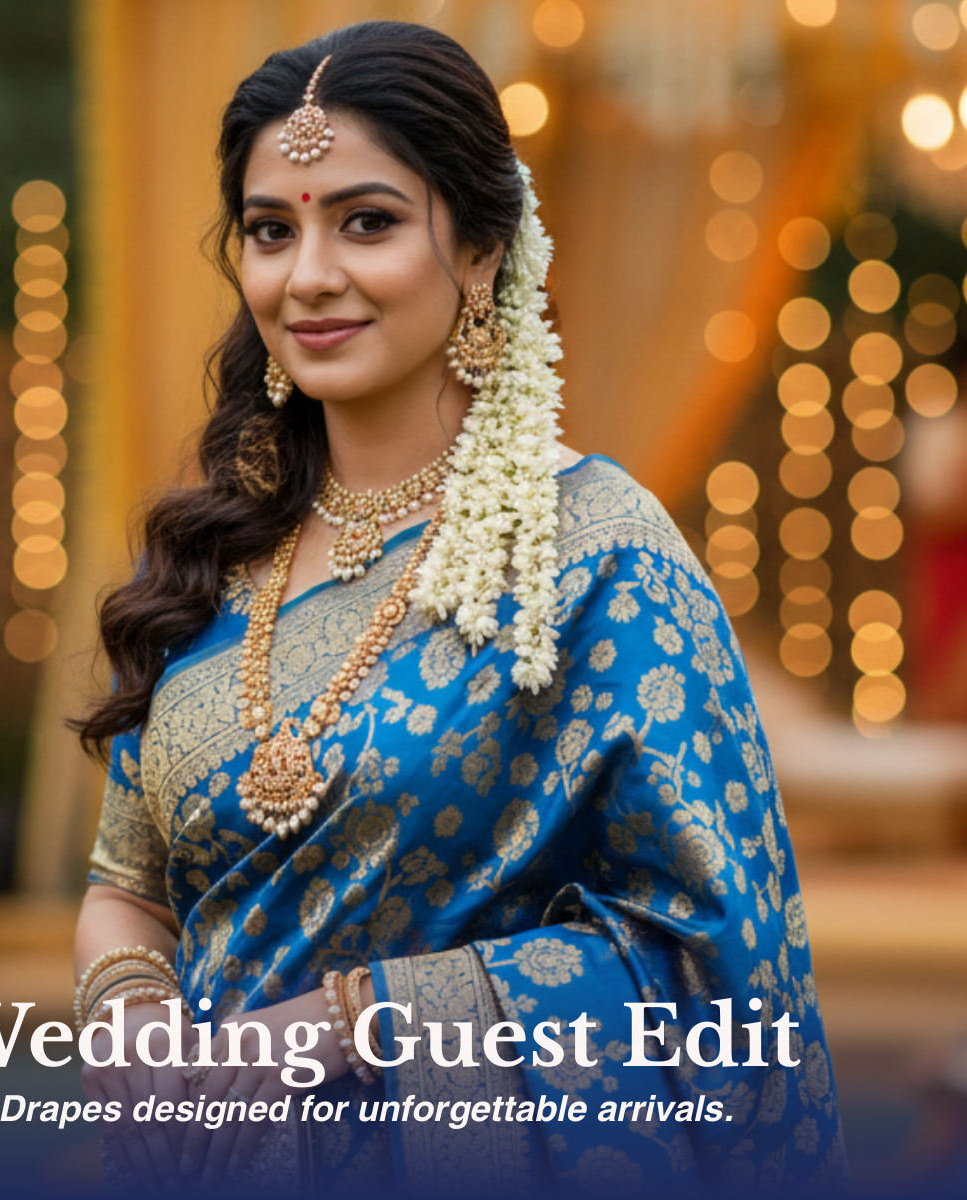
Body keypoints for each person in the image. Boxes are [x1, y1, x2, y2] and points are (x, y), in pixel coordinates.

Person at [71, 21, 846, 1193]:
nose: (310, 274)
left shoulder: (597, 555)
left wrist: (346, 1025)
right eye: (273, 231)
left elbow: (709, 962)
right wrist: (131, 1029)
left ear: (481, 250)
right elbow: (127, 885)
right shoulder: (215, 556)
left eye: (367, 222)